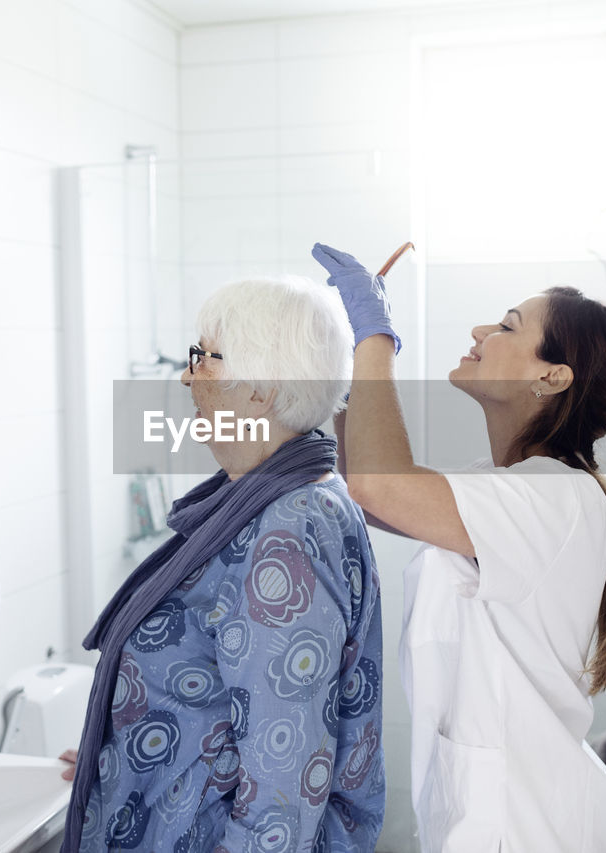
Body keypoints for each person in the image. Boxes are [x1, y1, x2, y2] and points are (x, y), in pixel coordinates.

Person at [312, 243, 606, 852]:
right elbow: (371, 491)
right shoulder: (510, 487)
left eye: (509, 326)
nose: (480, 330)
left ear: (552, 375)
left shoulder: (558, 497)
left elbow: (380, 485)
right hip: (489, 811)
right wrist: (347, 361)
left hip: (528, 826)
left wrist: (376, 338)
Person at [59, 277, 385, 853]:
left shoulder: (288, 530)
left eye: (203, 358)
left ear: (261, 389)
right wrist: (123, 757)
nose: (187, 376)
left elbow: (283, 784)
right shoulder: (279, 500)